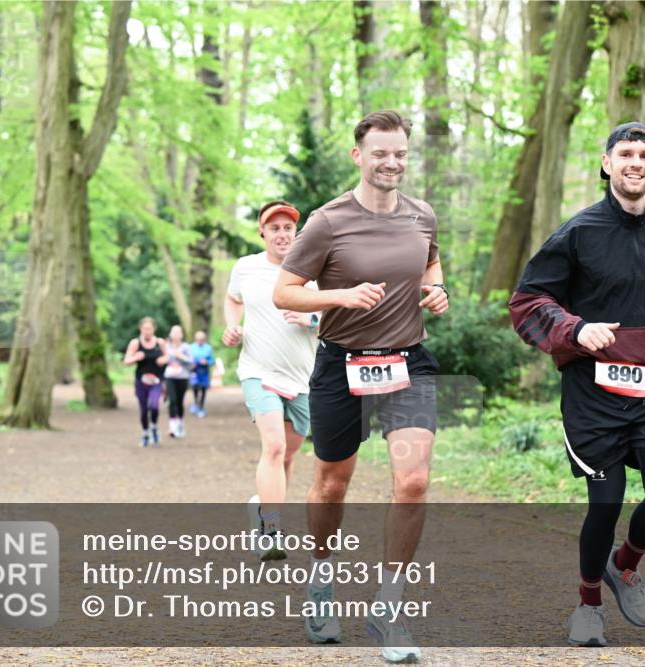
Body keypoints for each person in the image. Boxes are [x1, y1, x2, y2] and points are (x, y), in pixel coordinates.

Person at [509, 122, 645, 647]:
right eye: (625, 153)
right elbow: (528, 302)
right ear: (607, 164)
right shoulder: (578, 232)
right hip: (594, 393)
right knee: (604, 505)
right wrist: (576, 329)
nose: (635, 162)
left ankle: (624, 566)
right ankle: (587, 606)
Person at [274, 110, 448, 663]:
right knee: (331, 485)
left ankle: (388, 607)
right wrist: (339, 298)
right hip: (340, 364)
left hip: (408, 363)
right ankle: (321, 579)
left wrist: (436, 291)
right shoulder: (327, 222)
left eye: (399, 153)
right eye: (380, 153)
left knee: (414, 481)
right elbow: (285, 292)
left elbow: (432, 264)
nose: (391, 162)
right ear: (359, 156)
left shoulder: (422, 216)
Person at [224, 200, 320, 561]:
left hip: (303, 378)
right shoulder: (246, 267)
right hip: (258, 371)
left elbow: (335, 322)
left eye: (288, 228)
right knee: (275, 447)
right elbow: (233, 300)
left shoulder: (314, 272)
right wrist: (232, 326)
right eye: (274, 228)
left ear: (296, 233)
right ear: (263, 232)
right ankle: (272, 528)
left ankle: (262, 512)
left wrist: (311, 321)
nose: (282, 234)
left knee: (288, 455)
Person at [122, 317, 167, 447]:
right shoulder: (135, 343)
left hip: (156, 381)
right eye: (145, 328)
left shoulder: (160, 342)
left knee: (154, 406)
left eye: (150, 328)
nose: (147, 331)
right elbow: (126, 361)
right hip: (141, 381)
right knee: (143, 409)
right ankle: (145, 432)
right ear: (141, 329)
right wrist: (136, 357)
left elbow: (168, 356)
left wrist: (162, 360)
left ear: (154, 329)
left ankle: (154, 426)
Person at [163, 324, 193, 438]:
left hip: (182, 377)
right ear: (170, 334)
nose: (175, 334)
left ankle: (180, 425)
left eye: (178, 332)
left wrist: (180, 356)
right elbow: (162, 361)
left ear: (181, 335)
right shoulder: (166, 346)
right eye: (173, 332)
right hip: (169, 377)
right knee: (172, 400)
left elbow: (191, 362)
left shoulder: (185, 347)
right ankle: (172, 428)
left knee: (179, 402)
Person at [188, 330, 214, 418]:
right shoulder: (191, 347)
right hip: (194, 371)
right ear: (196, 339)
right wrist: (192, 363)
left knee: (203, 389)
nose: (200, 341)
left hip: (204, 372)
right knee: (194, 387)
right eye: (199, 339)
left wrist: (206, 362)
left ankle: (201, 407)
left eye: (202, 339)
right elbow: (188, 359)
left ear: (204, 339)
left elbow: (212, 360)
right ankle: (195, 403)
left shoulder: (208, 348)